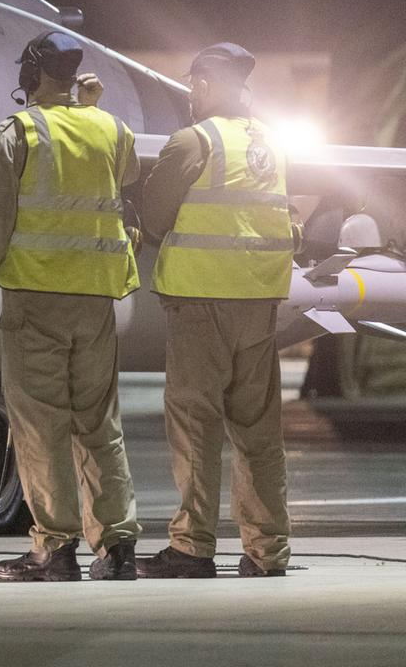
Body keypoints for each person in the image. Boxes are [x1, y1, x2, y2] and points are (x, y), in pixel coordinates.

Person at [0, 31, 144, 581]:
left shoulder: (17, 134)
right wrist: (89, 110)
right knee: (99, 426)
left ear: (32, 73)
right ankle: (116, 549)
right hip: (95, 301)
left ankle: (54, 549)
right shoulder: (111, 127)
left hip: (36, 301)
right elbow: (126, 172)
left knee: (41, 427)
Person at [136, 42, 293, 578]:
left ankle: (191, 548)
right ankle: (267, 552)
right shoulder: (272, 143)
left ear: (203, 85)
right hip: (259, 307)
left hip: (201, 305)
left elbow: (154, 218)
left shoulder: (193, 141)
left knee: (196, 427)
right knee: (258, 435)